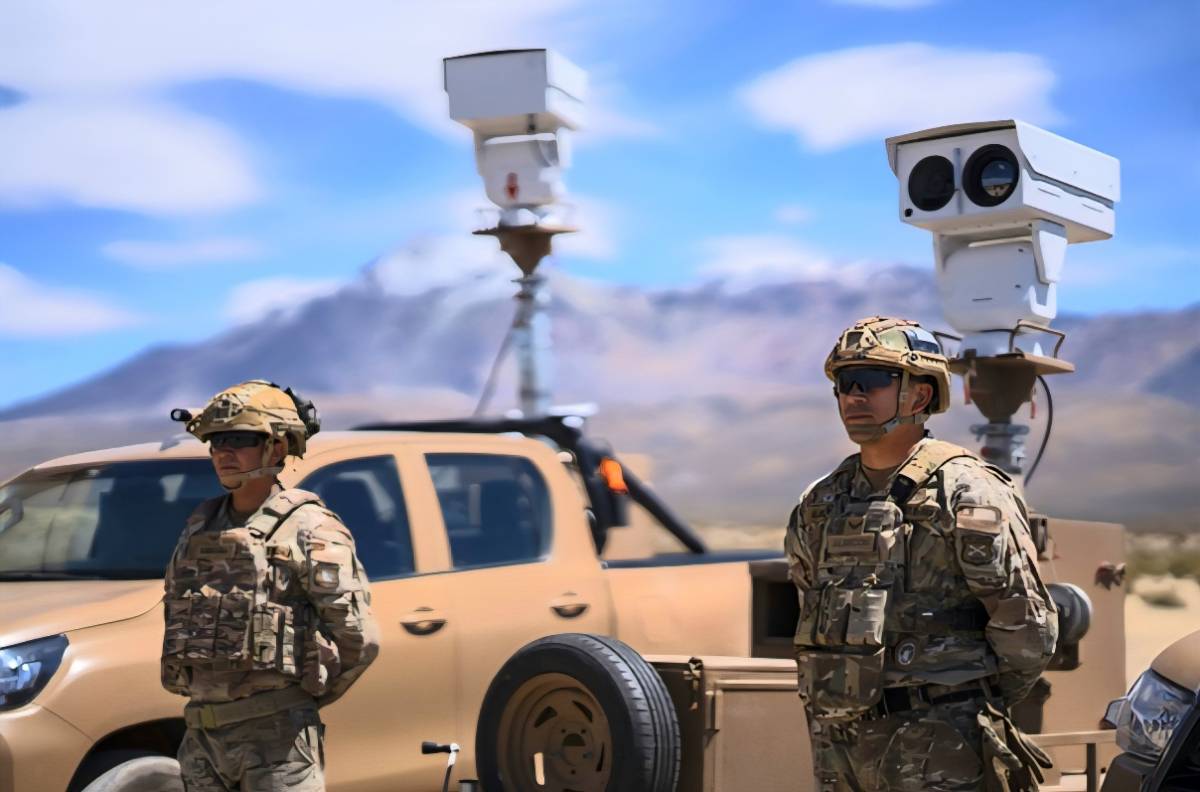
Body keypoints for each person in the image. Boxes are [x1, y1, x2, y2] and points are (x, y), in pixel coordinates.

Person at [784, 317, 1057, 792]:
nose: (853, 396)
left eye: (870, 381)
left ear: (921, 395)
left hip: (938, 747)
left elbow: (1029, 631)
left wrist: (966, 700)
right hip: (839, 745)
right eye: (844, 383)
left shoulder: (967, 491)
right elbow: (810, 602)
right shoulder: (820, 503)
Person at [162, 380, 380, 791]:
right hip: (202, 741)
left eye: (239, 439)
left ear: (277, 449)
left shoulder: (310, 527)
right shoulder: (199, 526)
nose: (222, 452)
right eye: (215, 441)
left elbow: (359, 639)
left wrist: (299, 701)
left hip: (277, 743)